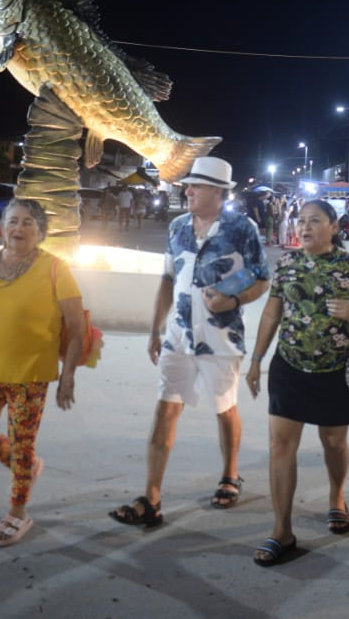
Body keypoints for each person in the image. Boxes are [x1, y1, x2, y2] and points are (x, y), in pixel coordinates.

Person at [110, 156, 270, 527]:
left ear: (218, 192)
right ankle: (151, 497)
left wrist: (233, 300)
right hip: (178, 336)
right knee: (165, 407)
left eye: (196, 186)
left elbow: (262, 279)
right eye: (188, 185)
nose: (189, 190)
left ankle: (230, 475)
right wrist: (155, 328)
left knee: (224, 407)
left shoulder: (242, 228)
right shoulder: (178, 226)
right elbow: (168, 280)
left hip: (221, 337)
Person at [245, 199, 349, 566]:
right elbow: (272, 312)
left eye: (315, 221)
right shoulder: (287, 263)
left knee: (334, 443)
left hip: (337, 370)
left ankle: (337, 497)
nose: (304, 227)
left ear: (333, 227)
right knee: (280, 446)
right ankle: (281, 531)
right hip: (288, 366)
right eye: (301, 221)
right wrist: (256, 359)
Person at [0, 198, 87, 547]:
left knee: (23, 442)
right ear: (2, 227)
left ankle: (17, 513)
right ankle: (24, 465)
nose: (19, 228)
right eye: (13, 221)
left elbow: (75, 327)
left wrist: (68, 375)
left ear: (41, 232)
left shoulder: (55, 268)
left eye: (28, 222)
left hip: (30, 374)